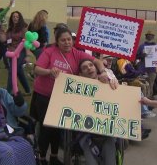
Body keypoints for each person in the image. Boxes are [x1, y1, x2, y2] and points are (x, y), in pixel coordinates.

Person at [29, 27, 109, 165]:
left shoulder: (76, 53)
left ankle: (54, 157)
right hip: (44, 96)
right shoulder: (49, 52)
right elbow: (36, 69)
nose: (66, 42)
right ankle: (41, 158)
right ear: (57, 42)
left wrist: (102, 72)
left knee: (57, 128)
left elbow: (97, 61)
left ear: (72, 41)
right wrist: (49, 71)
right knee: (46, 128)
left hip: (62, 97)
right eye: (63, 40)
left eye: (69, 40)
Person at [78, 58, 118, 165]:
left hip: (107, 134)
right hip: (86, 135)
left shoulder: (110, 85)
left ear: (96, 68)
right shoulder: (77, 91)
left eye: (91, 65)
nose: (89, 68)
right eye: (85, 68)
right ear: (81, 74)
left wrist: (116, 85)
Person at [5, 11, 31, 95]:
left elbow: (26, 41)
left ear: (20, 18)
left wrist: (27, 55)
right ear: (11, 18)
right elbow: (7, 40)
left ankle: (8, 92)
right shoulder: (9, 29)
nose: (15, 18)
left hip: (20, 52)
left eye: (17, 17)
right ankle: (28, 90)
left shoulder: (23, 28)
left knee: (12, 71)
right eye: (13, 17)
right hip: (11, 53)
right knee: (19, 72)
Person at [136, 30, 157, 99]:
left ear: (153, 37)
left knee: (151, 84)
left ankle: (149, 99)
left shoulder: (156, 46)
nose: (149, 36)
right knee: (142, 84)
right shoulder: (141, 46)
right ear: (146, 36)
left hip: (152, 69)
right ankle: (142, 98)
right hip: (142, 69)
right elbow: (137, 56)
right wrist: (142, 55)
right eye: (148, 35)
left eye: (151, 35)